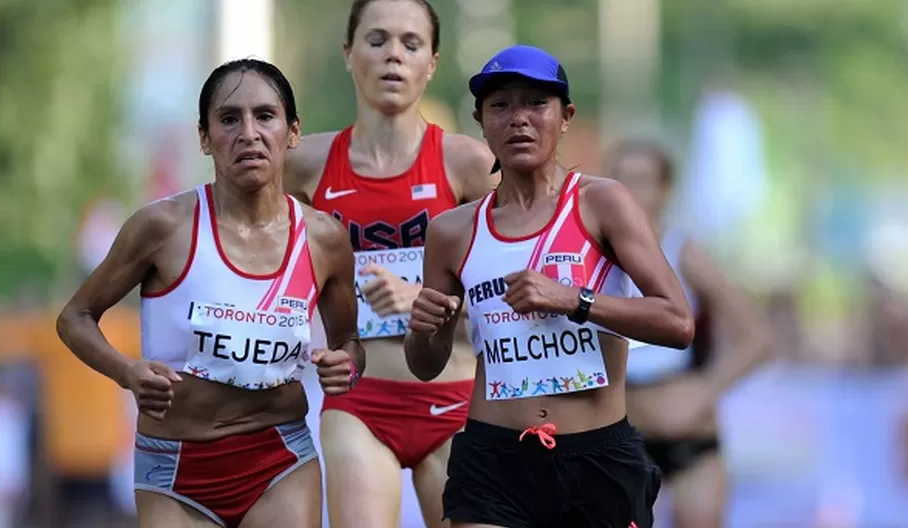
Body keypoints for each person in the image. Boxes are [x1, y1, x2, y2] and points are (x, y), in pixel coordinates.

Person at [56, 58, 365, 528]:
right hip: (174, 469)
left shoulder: (324, 238)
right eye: (228, 119)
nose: (248, 133)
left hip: (279, 457)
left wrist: (347, 365)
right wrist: (127, 372)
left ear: (293, 131)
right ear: (204, 138)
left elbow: (349, 344)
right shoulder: (162, 227)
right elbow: (74, 316)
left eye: (265, 116)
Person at [405, 44, 695, 528]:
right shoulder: (452, 231)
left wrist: (573, 299)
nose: (518, 118)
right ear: (480, 119)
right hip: (492, 461)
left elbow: (678, 322)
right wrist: (424, 329)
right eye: (501, 106)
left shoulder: (603, 203)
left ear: (565, 118)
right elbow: (426, 364)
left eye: (536, 104)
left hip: (596, 459)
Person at [284, 1, 497, 526]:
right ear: (348, 53)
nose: (393, 56)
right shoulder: (304, 165)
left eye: (411, 43)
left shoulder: (467, 163)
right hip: (360, 400)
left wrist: (430, 302)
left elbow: (514, 288)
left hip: (455, 401)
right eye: (377, 41)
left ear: (432, 62)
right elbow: (245, 245)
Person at [609, 139, 770, 528]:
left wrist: (706, 388)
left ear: (665, 190)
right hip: (624, 436)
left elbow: (758, 338)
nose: (630, 191)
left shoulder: (684, 252)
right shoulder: (592, 252)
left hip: (689, 438)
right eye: (620, 179)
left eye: (642, 180)